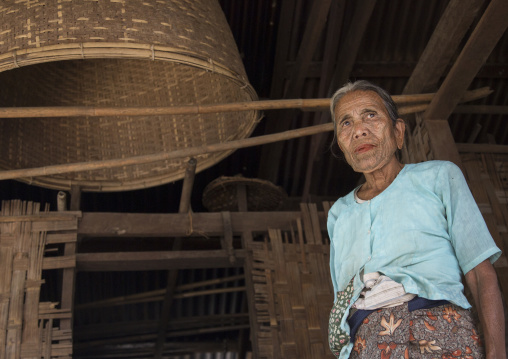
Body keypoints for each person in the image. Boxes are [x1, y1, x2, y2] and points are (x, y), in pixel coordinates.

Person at [327, 80, 505, 359]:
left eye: (370, 115)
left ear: (398, 132)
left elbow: (481, 275)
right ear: (341, 143)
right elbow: (343, 303)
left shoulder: (439, 177)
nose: (359, 130)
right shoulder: (338, 214)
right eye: (345, 123)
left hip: (440, 330)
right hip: (368, 343)